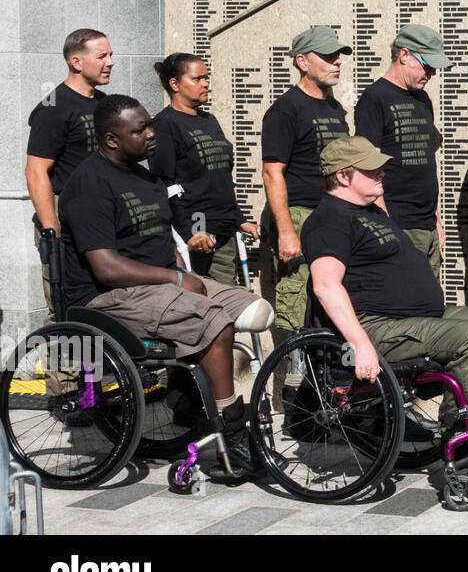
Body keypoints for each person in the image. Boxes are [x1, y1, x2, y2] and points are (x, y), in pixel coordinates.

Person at [59, 95, 273, 470]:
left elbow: (160, 235)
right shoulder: (88, 184)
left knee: (257, 311)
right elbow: (106, 267)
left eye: (149, 124)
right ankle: (227, 428)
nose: (151, 134)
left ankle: (183, 399)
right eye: (139, 130)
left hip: (157, 284)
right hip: (109, 295)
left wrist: (178, 269)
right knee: (213, 321)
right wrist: (174, 278)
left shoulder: (145, 177)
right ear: (111, 140)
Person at [302, 136, 468, 464]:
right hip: (378, 326)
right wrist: (361, 344)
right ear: (342, 176)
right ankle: (460, 438)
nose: (381, 173)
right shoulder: (328, 221)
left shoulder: (370, 211)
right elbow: (326, 286)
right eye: (371, 170)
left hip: (420, 320)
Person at [261, 25, 351, 341]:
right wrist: (286, 233)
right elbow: (272, 173)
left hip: (334, 216)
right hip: (299, 215)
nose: (337, 62)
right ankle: (293, 383)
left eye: (338, 56)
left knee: (331, 298)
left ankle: (325, 384)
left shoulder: (335, 108)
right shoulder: (285, 109)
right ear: (302, 62)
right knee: (296, 304)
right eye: (327, 57)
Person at [149, 53, 260, 286]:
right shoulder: (165, 124)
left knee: (232, 304)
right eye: (197, 78)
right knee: (213, 307)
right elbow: (164, 184)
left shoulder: (209, 120)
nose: (206, 83)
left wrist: (239, 219)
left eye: (206, 78)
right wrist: (189, 233)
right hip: (198, 233)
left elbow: (221, 178)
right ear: (175, 84)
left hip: (224, 228)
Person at [26, 29, 114, 308]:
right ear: (77, 62)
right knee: (65, 307)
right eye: (102, 56)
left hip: (100, 213)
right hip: (65, 214)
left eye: (111, 55)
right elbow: (35, 171)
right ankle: (60, 351)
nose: (110, 62)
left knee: (103, 302)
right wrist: (52, 229)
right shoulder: (54, 107)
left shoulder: (103, 103)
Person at [354, 25, 450, 272]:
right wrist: (386, 225)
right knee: (406, 306)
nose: (432, 74)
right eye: (427, 66)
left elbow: (426, 165)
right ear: (405, 55)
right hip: (398, 224)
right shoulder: (375, 98)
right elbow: (368, 168)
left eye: (435, 68)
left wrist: (436, 221)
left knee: (430, 305)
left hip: (426, 225)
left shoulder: (422, 99)